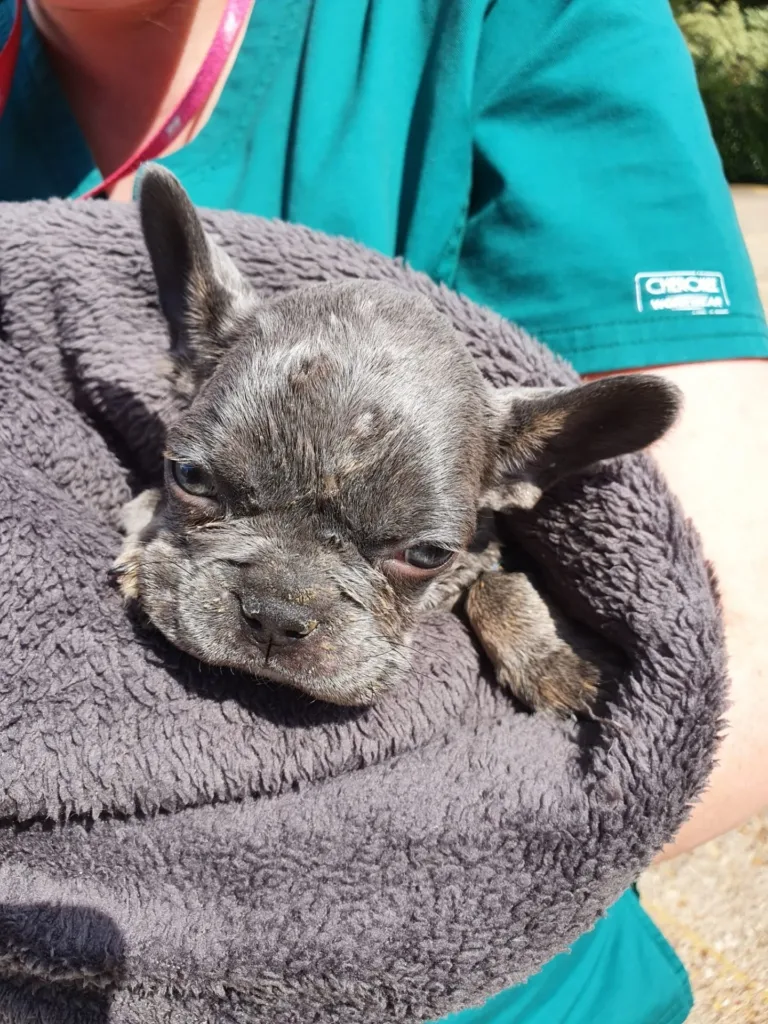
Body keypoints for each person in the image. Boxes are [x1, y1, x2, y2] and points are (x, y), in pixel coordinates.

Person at [1, 1, 766, 1021]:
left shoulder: (519, 23)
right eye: (201, 485)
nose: (278, 609)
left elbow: (723, 647)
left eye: (412, 552)